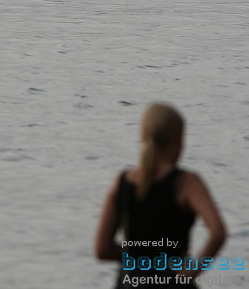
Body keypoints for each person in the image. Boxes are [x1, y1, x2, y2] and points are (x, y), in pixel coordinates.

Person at [94, 103, 226, 287]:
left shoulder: (121, 182)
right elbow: (218, 232)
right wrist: (190, 273)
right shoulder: (187, 183)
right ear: (179, 140)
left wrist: (137, 253)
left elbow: (102, 250)